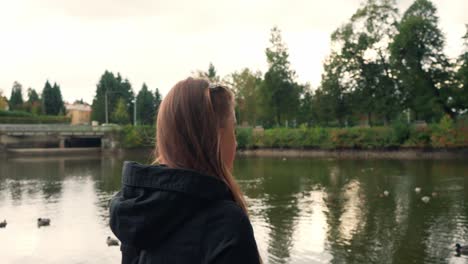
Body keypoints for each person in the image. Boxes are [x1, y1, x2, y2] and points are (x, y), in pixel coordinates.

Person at [110, 77, 261, 264]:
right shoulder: (226, 224)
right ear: (217, 137)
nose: (236, 142)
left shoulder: (135, 213)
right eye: (233, 129)